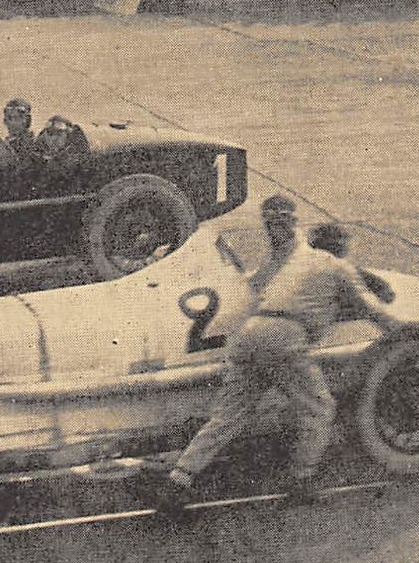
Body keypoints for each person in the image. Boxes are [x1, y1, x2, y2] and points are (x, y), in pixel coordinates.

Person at [148, 197, 399, 512]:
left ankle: (178, 481)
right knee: (319, 407)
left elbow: (252, 287)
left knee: (227, 416)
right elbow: (374, 310)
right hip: (284, 338)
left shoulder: (286, 263)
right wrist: (412, 334)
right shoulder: (336, 267)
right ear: (341, 249)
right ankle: (301, 478)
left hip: (248, 335)